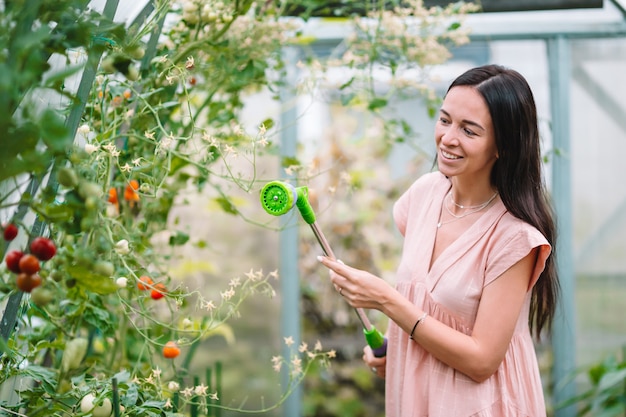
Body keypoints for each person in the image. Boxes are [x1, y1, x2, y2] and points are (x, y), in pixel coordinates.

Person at [317, 64, 559, 417]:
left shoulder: (514, 238)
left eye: (469, 130)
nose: (448, 138)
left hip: (482, 405)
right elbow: (429, 304)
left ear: (503, 147)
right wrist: (396, 350)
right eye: (444, 120)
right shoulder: (424, 194)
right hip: (417, 398)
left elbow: (481, 360)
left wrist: (386, 301)